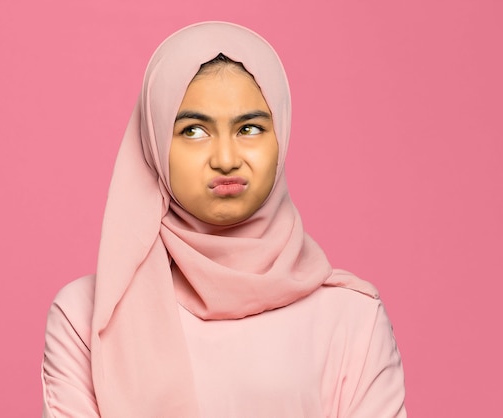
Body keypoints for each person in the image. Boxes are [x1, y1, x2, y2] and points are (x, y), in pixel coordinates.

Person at [41, 21, 406, 417]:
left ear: (280, 135)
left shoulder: (352, 318)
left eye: (250, 128)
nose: (226, 159)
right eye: (194, 131)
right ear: (155, 141)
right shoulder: (88, 318)